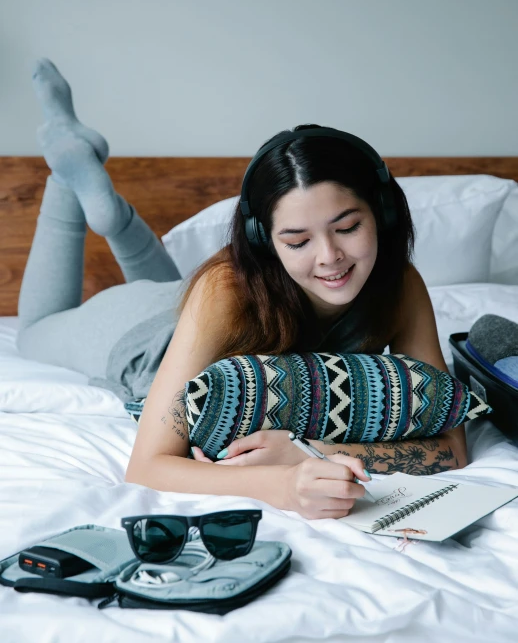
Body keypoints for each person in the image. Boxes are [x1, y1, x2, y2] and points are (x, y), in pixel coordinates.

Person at [18, 58, 467, 521]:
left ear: (384, 214)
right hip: (142, 335)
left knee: (179, 288)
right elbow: (146, 466)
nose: (329, 256)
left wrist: (310, 450)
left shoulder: (401, 284)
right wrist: (283, 483)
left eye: (348, 227)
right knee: (34, 331)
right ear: (264, 242)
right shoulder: (223, 289)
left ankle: (116, 219)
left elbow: (452, 446)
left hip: (200, 313)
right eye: (298, 241)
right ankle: (64, 172)